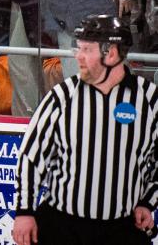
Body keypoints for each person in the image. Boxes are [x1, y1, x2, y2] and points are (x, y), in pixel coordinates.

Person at [12, 15, 158, 245]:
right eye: (78, 48)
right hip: (63, 227)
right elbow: (31, 158)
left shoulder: (150, 100)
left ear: (110, 53)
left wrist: (147, 202)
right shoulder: (62, 97)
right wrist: (24, 212)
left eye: (87, 50)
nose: (77, 56)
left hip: (120, 228)